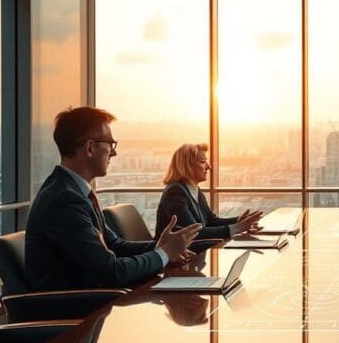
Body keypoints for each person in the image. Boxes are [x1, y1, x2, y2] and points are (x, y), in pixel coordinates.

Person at [25, 106, 200, 291]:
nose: (113, 153)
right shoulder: (64, 200)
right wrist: (163, 254)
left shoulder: (73, 191)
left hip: (93, 299)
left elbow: (113, 245)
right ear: (90, 147)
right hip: (76, 309)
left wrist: (160, 247)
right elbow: (110, 272)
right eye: (110, 144)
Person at [155, 143, 264, 241]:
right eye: (203, 162)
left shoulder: (194, 190)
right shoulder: (175, 193)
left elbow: (212, 221)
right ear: (187, 166)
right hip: (174, 258)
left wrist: (239, 221)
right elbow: (193, 233)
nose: (209, 167)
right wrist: (237, 228)